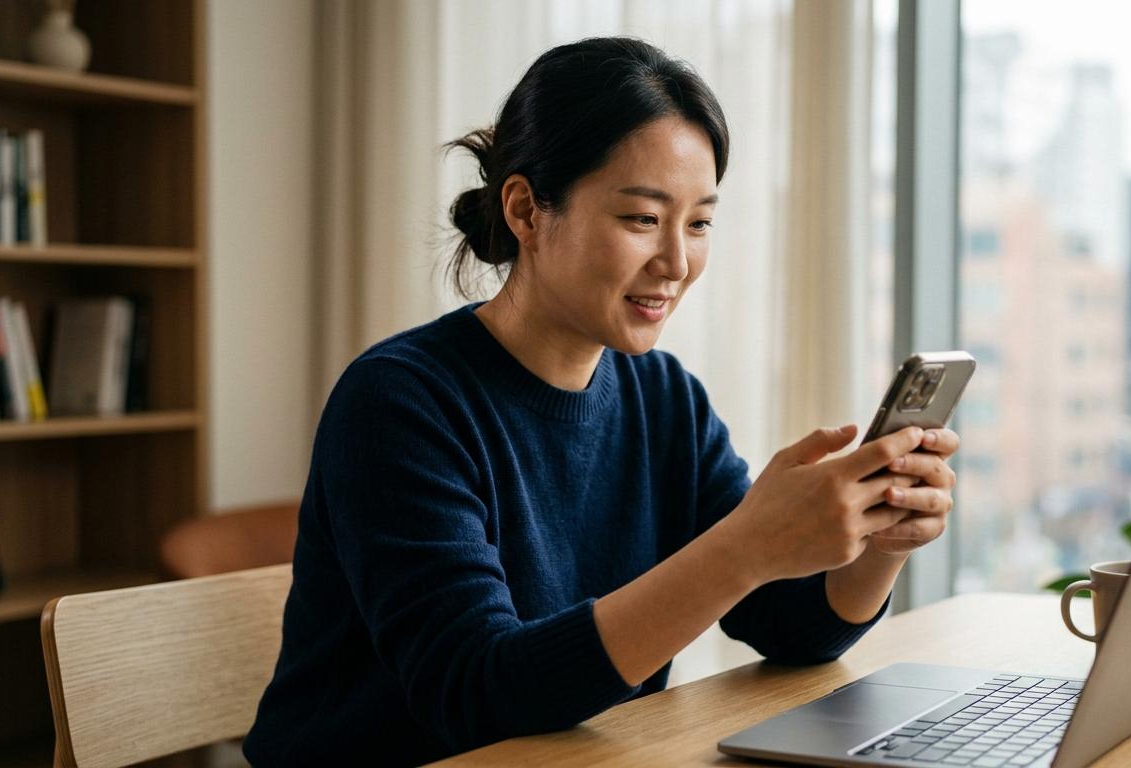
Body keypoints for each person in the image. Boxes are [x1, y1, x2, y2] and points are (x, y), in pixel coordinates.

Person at [243, 36, 959, 767]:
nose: (677, 263)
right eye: (642, 219)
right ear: (525, 210)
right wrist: (747, 548)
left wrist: (880, 542)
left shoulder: (664, 399)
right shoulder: (399, 401)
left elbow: (791, 629)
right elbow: (477, 695)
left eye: (700, 222)